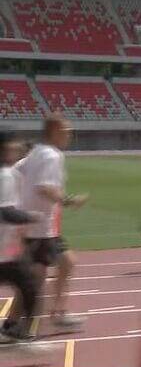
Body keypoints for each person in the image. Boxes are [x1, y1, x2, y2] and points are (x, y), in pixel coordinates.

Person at [14, 114, 88, 331]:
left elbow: (17, 172)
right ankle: (16, 327)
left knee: (67, 262)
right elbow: (44, 187)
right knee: (34, 279)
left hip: (41, 226)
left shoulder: (36, 152)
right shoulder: (52, 155)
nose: (70, 135)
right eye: (67, 131)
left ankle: (57, 313)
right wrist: (69, 201)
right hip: (39, 227)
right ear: (55, 131)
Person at [0, 131, 43, 344]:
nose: (17, 149)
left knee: (29, 286)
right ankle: (21, 334)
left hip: (9, 248)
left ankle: (17, 331)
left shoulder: (8, 173)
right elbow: (5, 212)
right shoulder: (6, 175)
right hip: (4, 250)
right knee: (30, 288)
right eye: (12, 146)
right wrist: (29, 216)